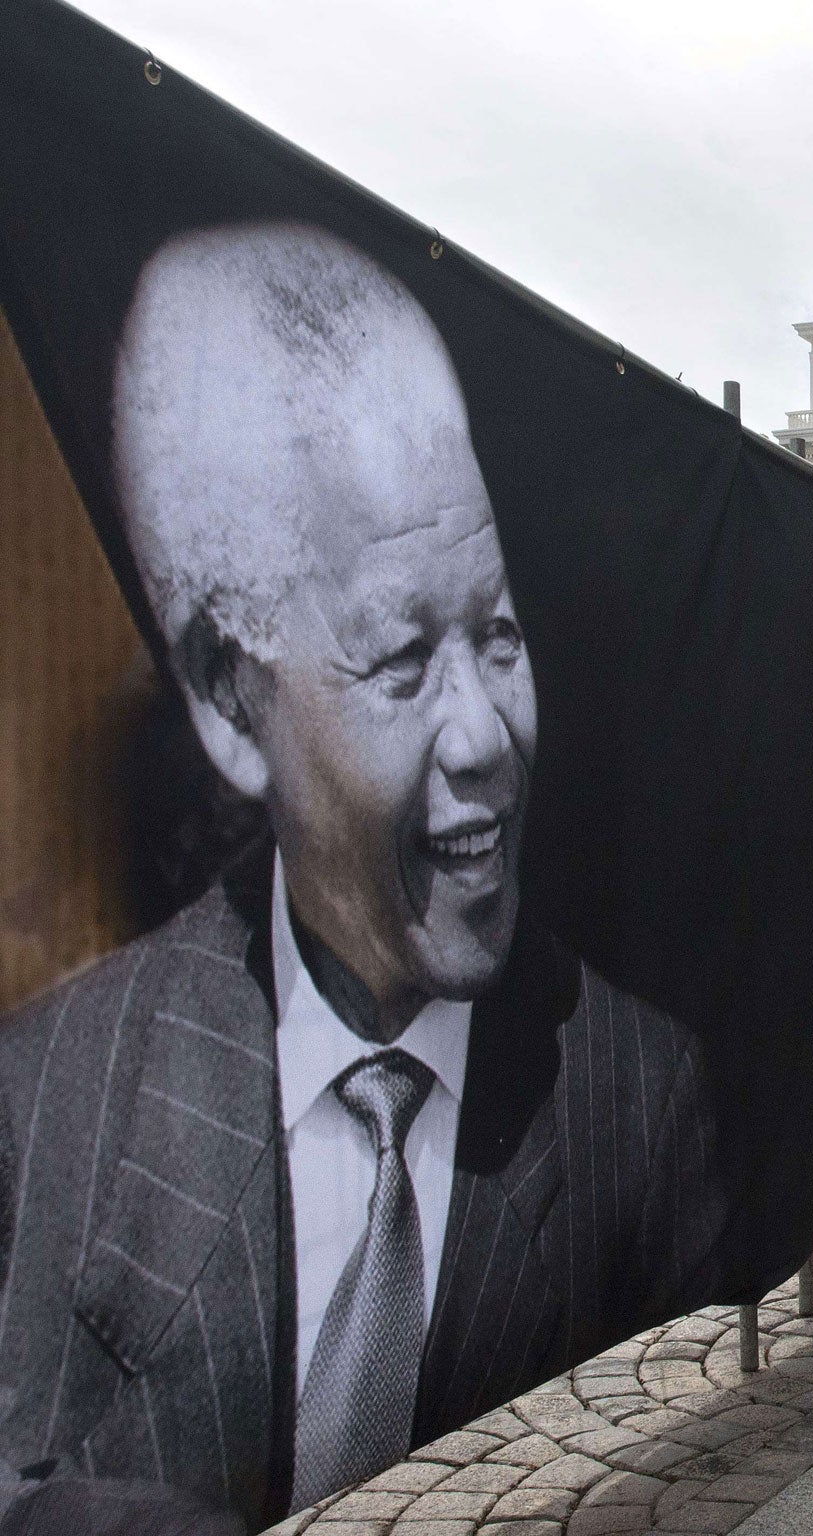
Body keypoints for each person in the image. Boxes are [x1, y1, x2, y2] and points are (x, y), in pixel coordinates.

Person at [0, 223, 722, 1531]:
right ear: (232, 699)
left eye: (496, 634)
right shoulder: (54, 1096)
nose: (485, 736)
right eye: (400, 660)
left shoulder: (640, 1098)